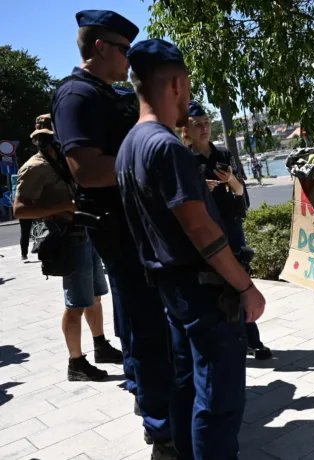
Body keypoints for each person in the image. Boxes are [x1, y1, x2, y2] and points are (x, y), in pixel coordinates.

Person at [117, 38, 266, 460]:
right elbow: (200, 228)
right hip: (203, 291)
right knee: (218, 401)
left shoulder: (129, 146)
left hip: (171, 288)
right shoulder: (166, 146)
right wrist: (245, 286)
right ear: (177, 84)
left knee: (186, 383)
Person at [50, 10, 174, 457]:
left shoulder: (110, 93)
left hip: (139, 227)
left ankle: (150, 398)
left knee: (144, 323)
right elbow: (86, 170)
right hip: (122, 232)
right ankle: (162, 430)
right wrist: (152, 165)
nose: (129, 59)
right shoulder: (76, 96)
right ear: (100, 47)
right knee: (146, 326)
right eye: (124, 49)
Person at [13, 114, 123, 381]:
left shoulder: (64, 161)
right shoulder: (35, 167)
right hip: (67, 241)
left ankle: (101, 345)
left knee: (94, 296)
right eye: (46, 138)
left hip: (86, 234)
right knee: (75, 303)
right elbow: (19, 210)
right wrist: (61, 208)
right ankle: (76, 362)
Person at [182, 100, 272, 360]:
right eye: (197, 124)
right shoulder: (185, 158)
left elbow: (241, 191)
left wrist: (230, 179)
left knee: (240, 277)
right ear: (186, 130)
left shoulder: (224, 155)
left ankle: (251, 339)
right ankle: (225, 339)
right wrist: (202, 189)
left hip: (231, 226)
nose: (204, 128)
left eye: (207, 123)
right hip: (205, 229)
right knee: (213, 284)